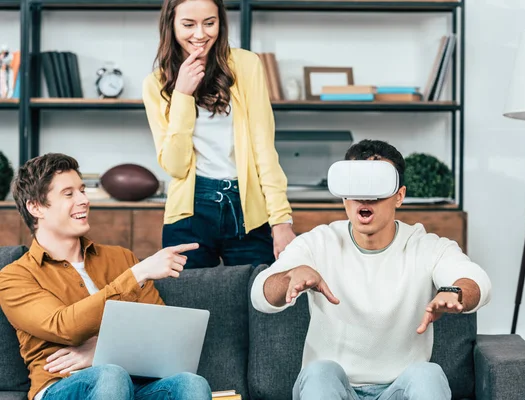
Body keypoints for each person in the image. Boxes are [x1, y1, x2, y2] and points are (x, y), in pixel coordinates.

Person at [250, 139, 492, 400]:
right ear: (344, 194)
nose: (365, 196)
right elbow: (259, 295)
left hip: (399, 390)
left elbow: (477, 281)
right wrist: (289, 278)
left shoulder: (426, 246)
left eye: (378, 186)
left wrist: (455, 292)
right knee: (319, 372)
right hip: (332, 389)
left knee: (428, 374)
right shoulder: (318, 242)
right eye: (357, 185)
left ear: (399, 195)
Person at [0, 153, 212, 400]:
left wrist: (99, 352)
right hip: (61, 387)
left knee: (191, 384)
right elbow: (62, 327)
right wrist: (139, 273)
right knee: (110, 375)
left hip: (134, 384)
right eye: (69, 194)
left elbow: (160, 338)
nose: (83, 200)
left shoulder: (121, 258)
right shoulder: (14, 277)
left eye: (82, 190)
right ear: (35, 207)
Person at [142, 0, 296, 269]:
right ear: (171, 24)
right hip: (190, 210)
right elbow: (176, 167)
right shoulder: (156, 83)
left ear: (221, 23)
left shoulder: (247, 65)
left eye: (209, 23)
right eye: (189, 24)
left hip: (247, 208)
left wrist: (281, 220)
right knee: (190, 306)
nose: (200, 34)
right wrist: (182, 94)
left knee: (260, 300)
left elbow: (264, 148)